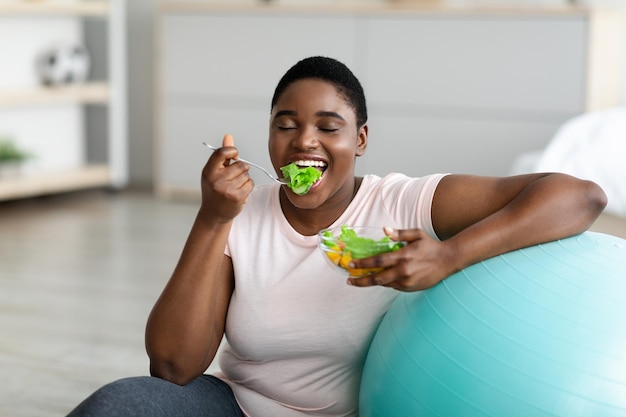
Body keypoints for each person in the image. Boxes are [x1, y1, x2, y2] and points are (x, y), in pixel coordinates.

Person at [66, 56, 606, 417]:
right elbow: (172, 367)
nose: (305, 141)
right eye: (285, 124)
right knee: (120, 404)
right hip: (238, 409)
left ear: (361, 139)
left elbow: (579, 197)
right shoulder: (236, 213)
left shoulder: (405, 202)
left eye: (328, 127)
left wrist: (448, 256)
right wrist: (211, 219)